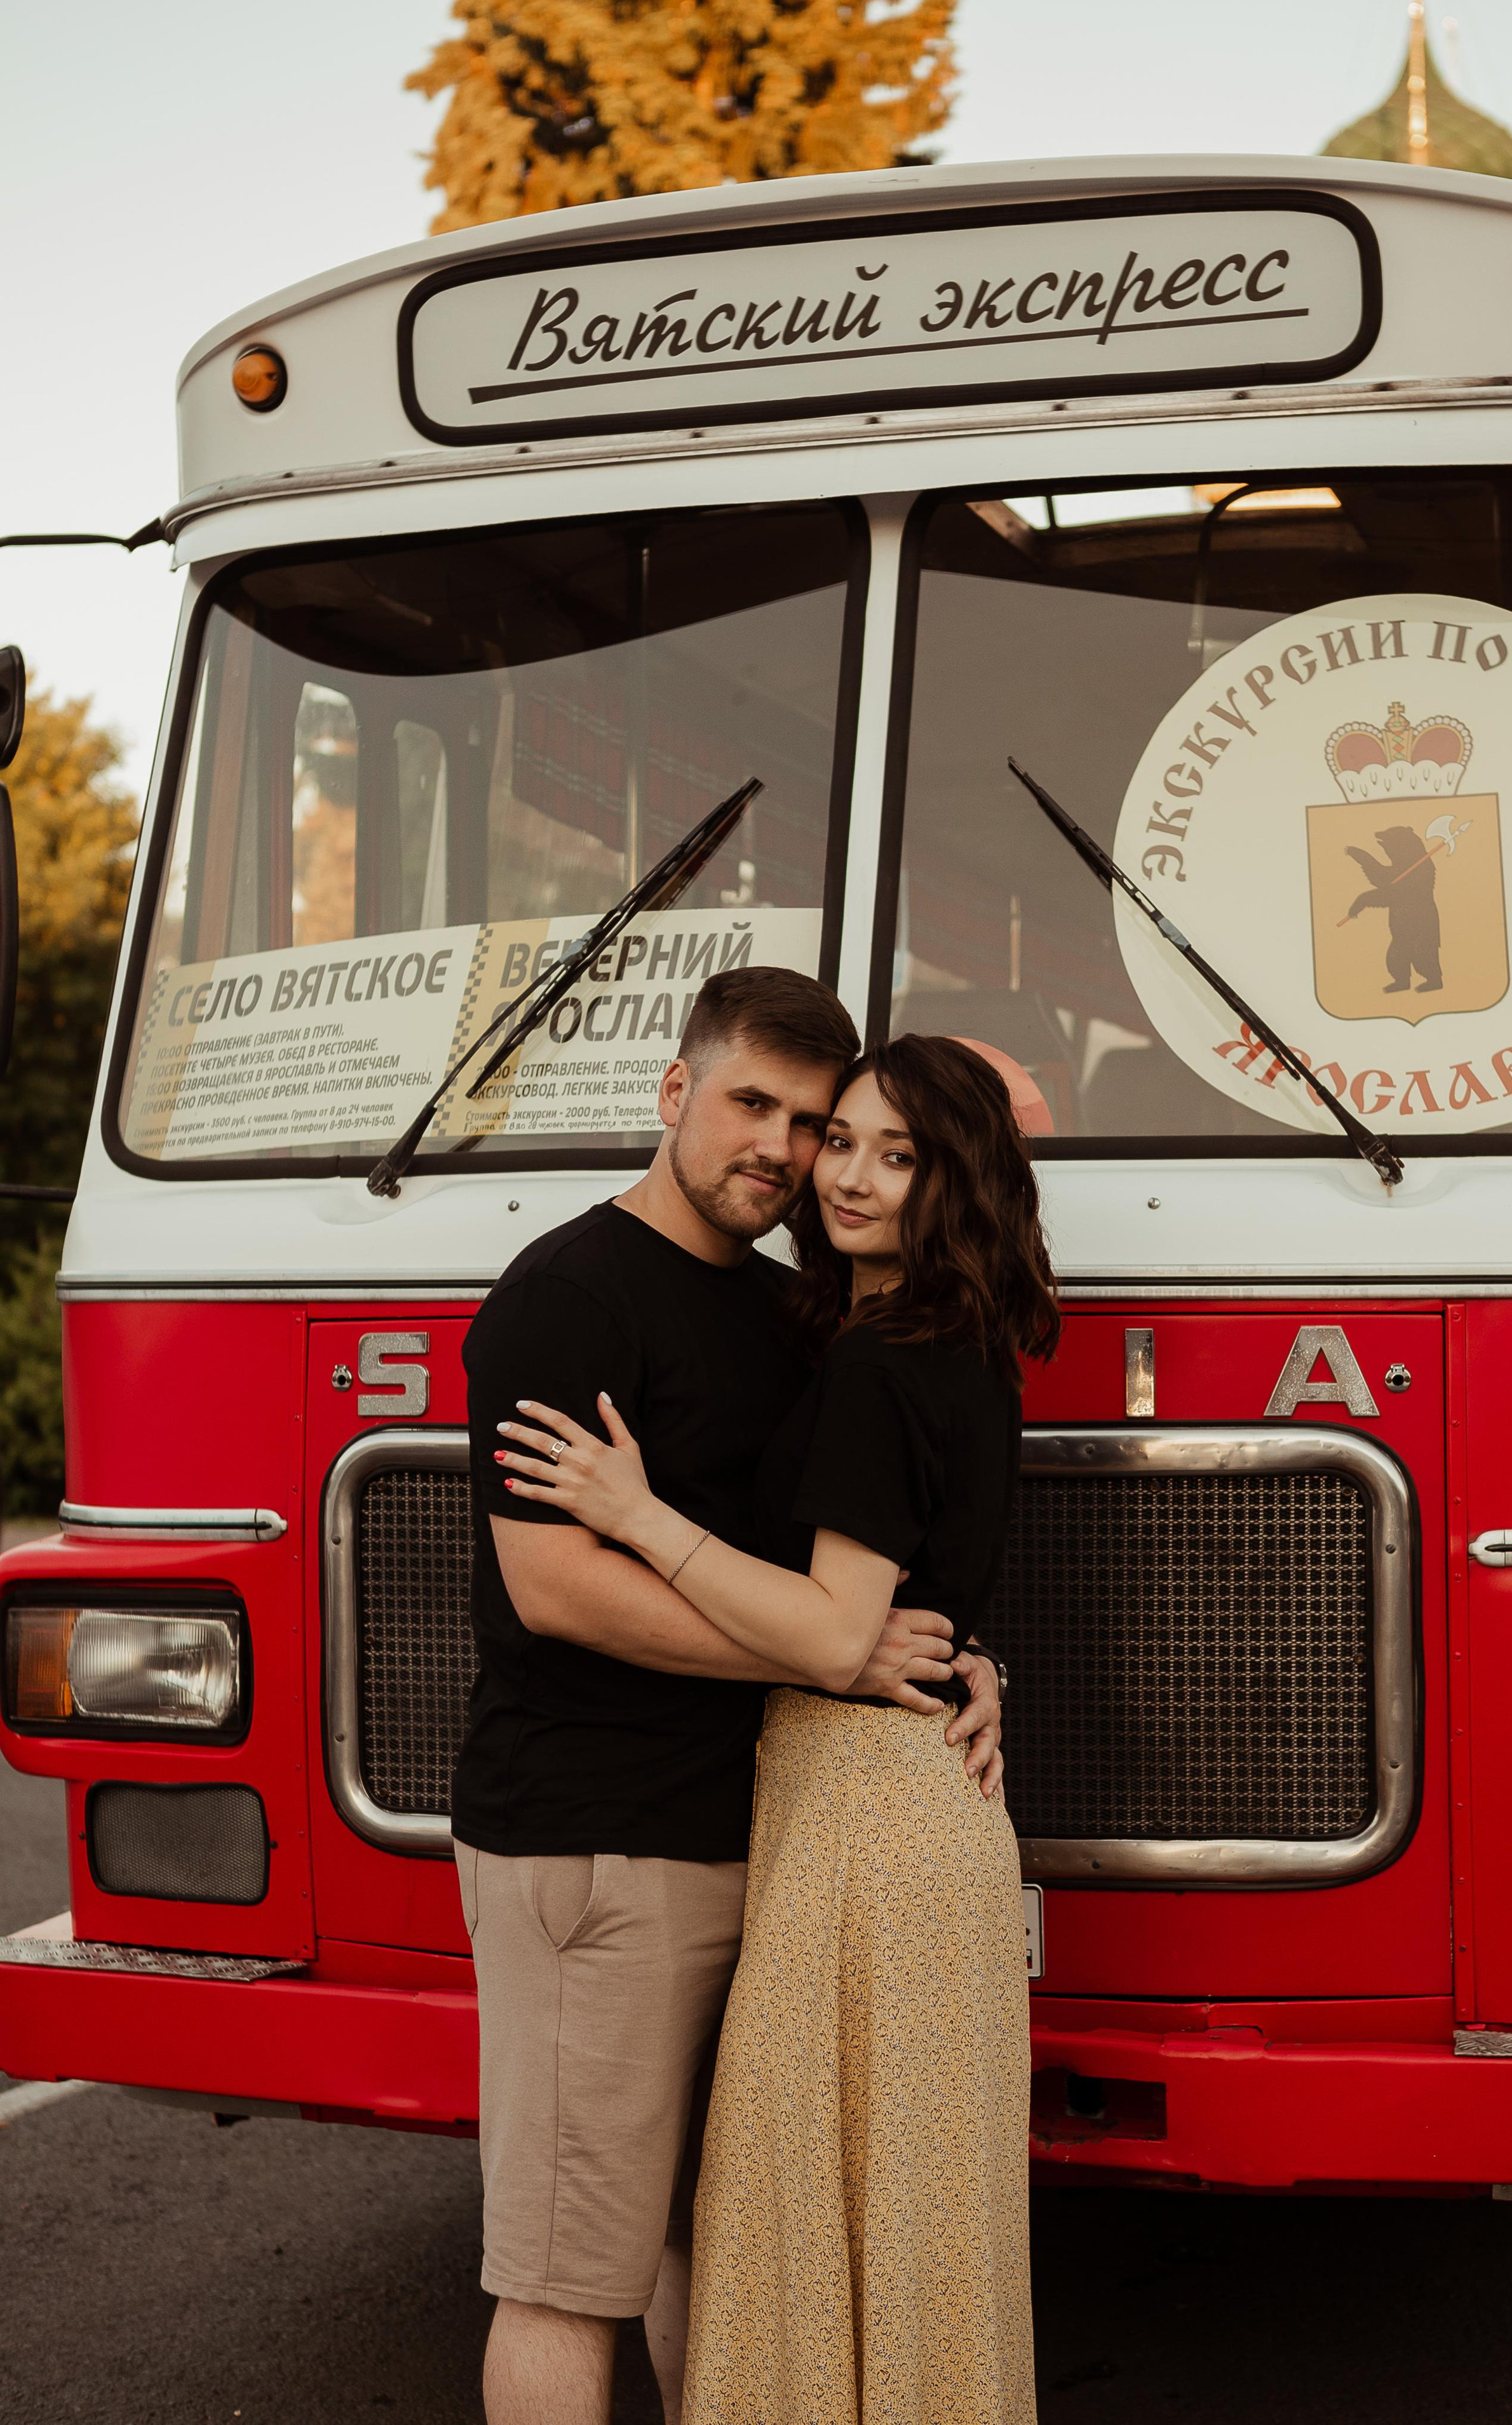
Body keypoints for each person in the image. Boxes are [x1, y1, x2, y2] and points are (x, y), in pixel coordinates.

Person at [455, 970, 1008, 2425]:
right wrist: (842, 1658)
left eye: (813, 1123)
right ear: (672, 1094)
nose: (784, 1147)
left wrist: (951, 1661)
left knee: (735, 2248)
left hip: (773, 1842)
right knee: (569, 2275)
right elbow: (555, 1588)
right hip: (596, 1843)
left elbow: (870, 1546)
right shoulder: (561, 1298)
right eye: (751, 1104)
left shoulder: (800, 1312)